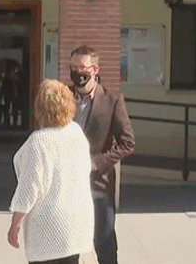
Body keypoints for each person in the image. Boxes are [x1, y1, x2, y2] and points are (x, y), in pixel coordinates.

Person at [8, 79, 95, 264]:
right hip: (77, 223)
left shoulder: (39, 141)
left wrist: (15, 223)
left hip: (49, 228)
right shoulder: (76, 132)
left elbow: (29, 189)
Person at [69, 46, 135, 264]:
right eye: (74, 67)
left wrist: (96, 164)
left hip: (98, 187)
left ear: (95, 69)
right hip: (67, 187)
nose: (78, 72)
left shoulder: (112, 100)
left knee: (104, 246)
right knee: (68, 249)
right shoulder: (64, 97)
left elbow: (127, 143)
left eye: (83, 67)